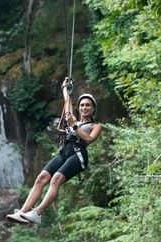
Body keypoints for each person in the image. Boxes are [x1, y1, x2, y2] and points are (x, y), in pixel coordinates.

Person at [6, 77, 102, 225]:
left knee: (55, 179)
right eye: (82, 105)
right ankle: (23, 212)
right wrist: (65, 88)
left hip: (78, 154)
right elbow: (67, 103)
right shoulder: (73, 119)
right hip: (64, 152)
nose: (84, 108)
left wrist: (74, 127)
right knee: (41, 178)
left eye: (88, 105)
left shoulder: (95, 126)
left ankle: (37, 213)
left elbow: (88, 139)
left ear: (93, 108)